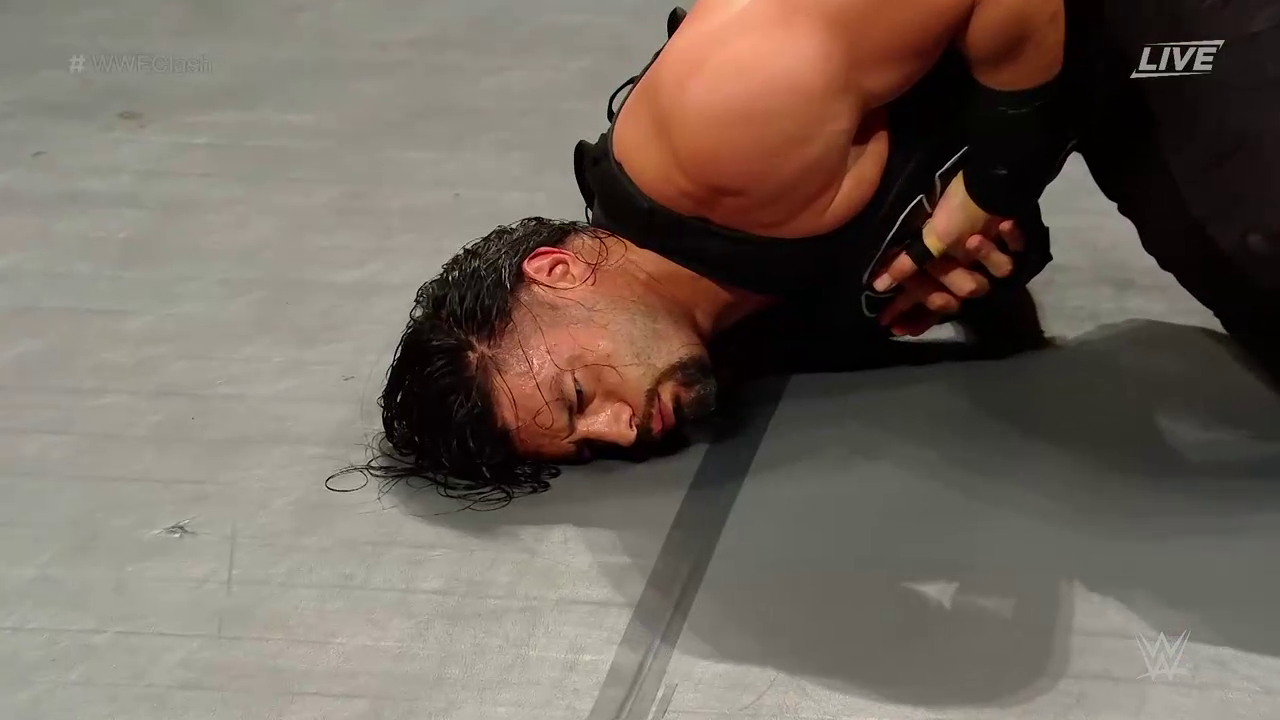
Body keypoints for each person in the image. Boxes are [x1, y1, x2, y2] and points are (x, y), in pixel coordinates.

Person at [352, 0, 1277, 503]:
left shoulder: (718, 132)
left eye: (580, 398)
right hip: (1085, 81)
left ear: (557, 272)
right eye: (588, 447)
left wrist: (997, 180)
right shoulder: (730, 329)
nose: (620, 432)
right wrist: (987, 266)